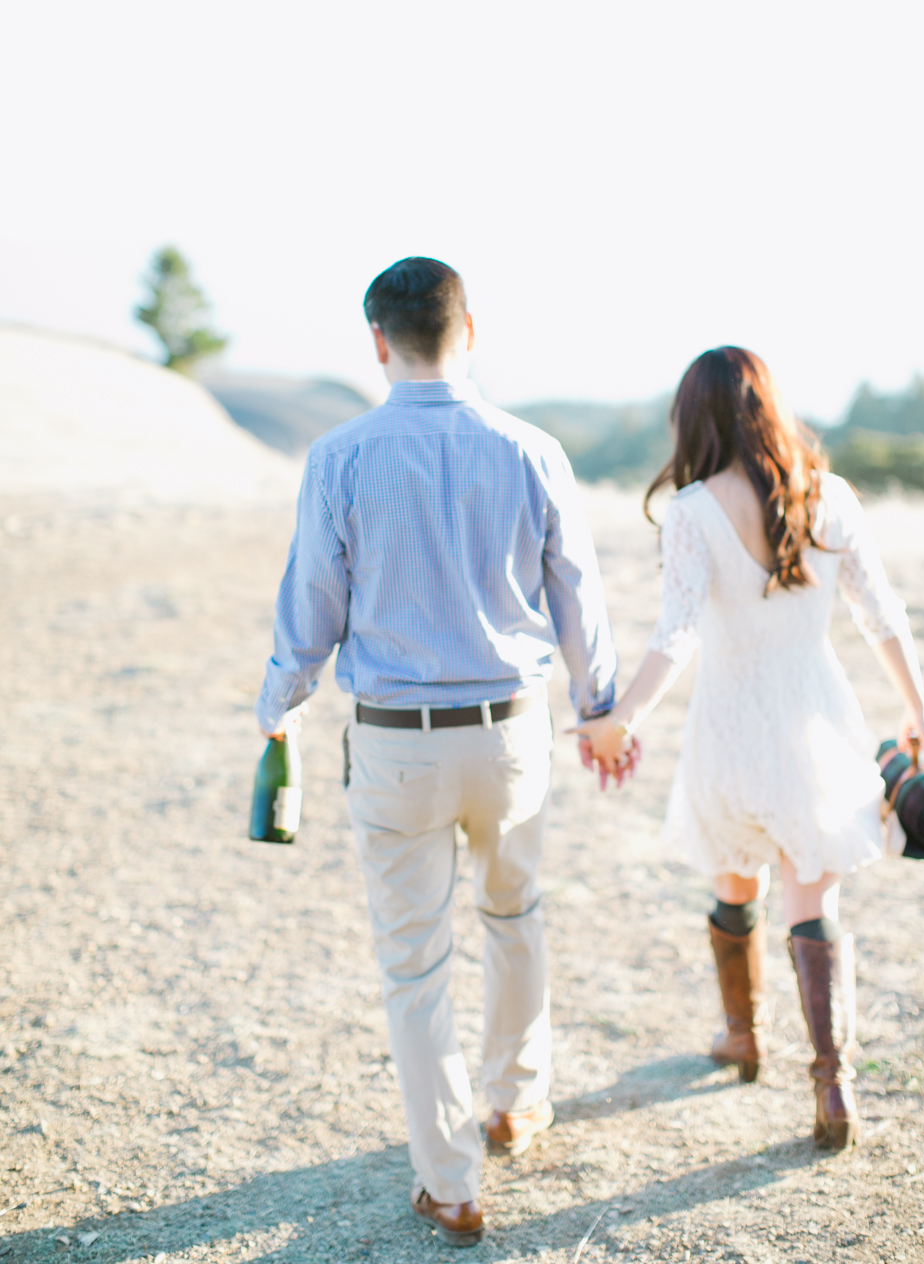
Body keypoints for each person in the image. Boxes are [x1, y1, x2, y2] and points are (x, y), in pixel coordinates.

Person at [256, 258, 617, 1244]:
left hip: (396, 744)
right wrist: (598, 707)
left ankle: (452, 1182)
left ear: (378, 340)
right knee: (516, 914)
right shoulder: (533, 449)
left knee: (414, 967)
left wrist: (277, 701)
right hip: (510, 731)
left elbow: (311, 614)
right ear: (471, 328)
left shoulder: (339, 457)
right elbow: (578, 596)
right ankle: (516, 1100)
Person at [577, 346, 924, 1151]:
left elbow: (674, 635)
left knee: (735, 881)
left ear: (693, 417)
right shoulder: (831, 496)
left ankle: (742, 1036)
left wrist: (622, 718)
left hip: (732, 721)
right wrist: (917, 710)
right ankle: (833, 1084)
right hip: (815, 717)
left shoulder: (692, 509)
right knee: (815, 904)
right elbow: (883, 614)